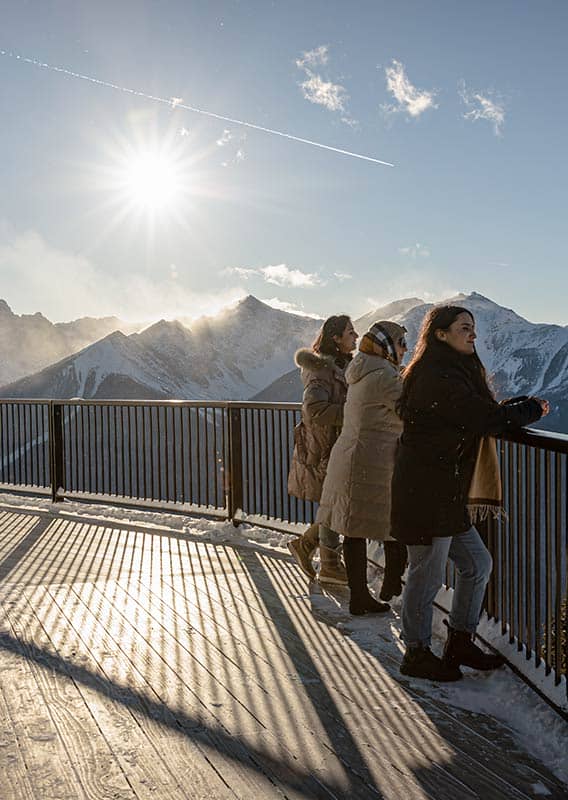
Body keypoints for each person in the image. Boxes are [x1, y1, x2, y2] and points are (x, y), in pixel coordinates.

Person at [391, 305, 549, 681]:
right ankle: (414, 653)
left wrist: (515, 409)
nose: (473, 335)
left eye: (473, 328)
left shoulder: (451, 372)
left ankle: (459, 641)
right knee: (425, 575)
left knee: (477, 564)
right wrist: (530, 410)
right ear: (441, 334)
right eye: (465, 328)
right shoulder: (436, 376)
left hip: (444, 494)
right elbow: (482, 418)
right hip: (427, 494)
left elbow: (480, 412)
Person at [316, 321, 409, 614]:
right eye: (402, 343)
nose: (405, 349)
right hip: (372, 461)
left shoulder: (363, 367)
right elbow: (409, 411)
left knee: (354, 530)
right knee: (393, 529)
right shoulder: (383, 375)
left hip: (353, 456)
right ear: (387, 345)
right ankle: (388, 587)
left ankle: (361, 596)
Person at [287, 315, 358, 584]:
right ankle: (329, 562)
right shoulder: (320, 371)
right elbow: (315, 410)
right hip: (326, 448)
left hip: (338, 445)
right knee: (337, 503)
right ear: (336, 338)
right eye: (350, 332)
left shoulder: (343, 366)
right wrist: (352, 414)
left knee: (338, 503)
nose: (356, 335)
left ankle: (307, 546)